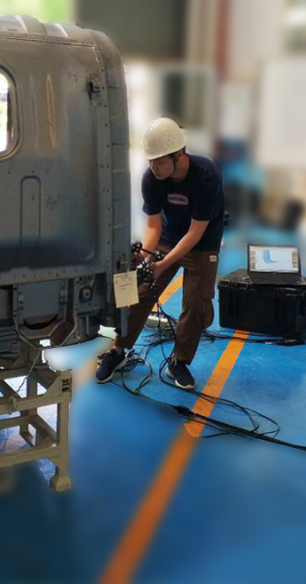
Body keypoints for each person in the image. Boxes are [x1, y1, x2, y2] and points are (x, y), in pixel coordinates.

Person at [96, 118, 225, 390]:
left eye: (159, 161)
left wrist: (164, 263)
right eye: (150, 161)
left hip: (202, 243)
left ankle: (179, 362)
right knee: (141, 292)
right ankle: (118, 350)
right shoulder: (151, 179)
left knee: (196, 303)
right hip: (168, 238)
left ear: (179, 155)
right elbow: (154, 225)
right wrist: (146, 258)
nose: (153, 167)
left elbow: (195, 232)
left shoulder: (207, 175)